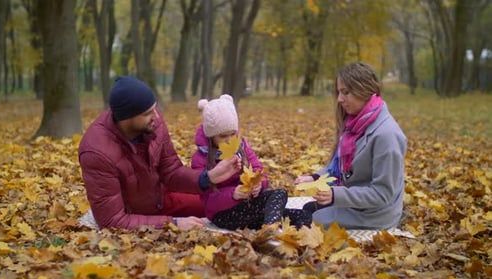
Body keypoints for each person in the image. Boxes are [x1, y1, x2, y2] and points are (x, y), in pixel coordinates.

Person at [78, 76, 241, 230]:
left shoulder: (152, 124)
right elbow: (112, 221)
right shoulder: (97, 152)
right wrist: (173, 224)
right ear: (127, 118)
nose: (156, 116)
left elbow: (171, 171)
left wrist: (208, 178)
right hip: (134, 214)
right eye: (147, 113)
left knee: (223, 204)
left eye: (154, 109)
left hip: (162, 198)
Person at [295, 62, 407, 230]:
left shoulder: (387, 135)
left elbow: (383, 194)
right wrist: (315, 178)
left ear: (364, 90)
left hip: (373, 215)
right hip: (353, 202)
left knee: (305, 220)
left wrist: (335, 195)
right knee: (300, 210)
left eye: (345, 92)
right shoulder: (355, 124)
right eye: (339, 92)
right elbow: (339, 170)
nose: (340, 99)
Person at [191, 94, 312, 230]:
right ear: (210, 136)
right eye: (222, 136)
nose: (229, 140)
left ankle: (298, 239)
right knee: (277, 199)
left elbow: (260, 172)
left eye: (232, 134)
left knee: (300, 213)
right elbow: (207, 200)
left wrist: (259, 184)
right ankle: (270, 231)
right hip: (224, 214)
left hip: (249, 206)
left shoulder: (242, 147)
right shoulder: (201, 158)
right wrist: (233, 194)